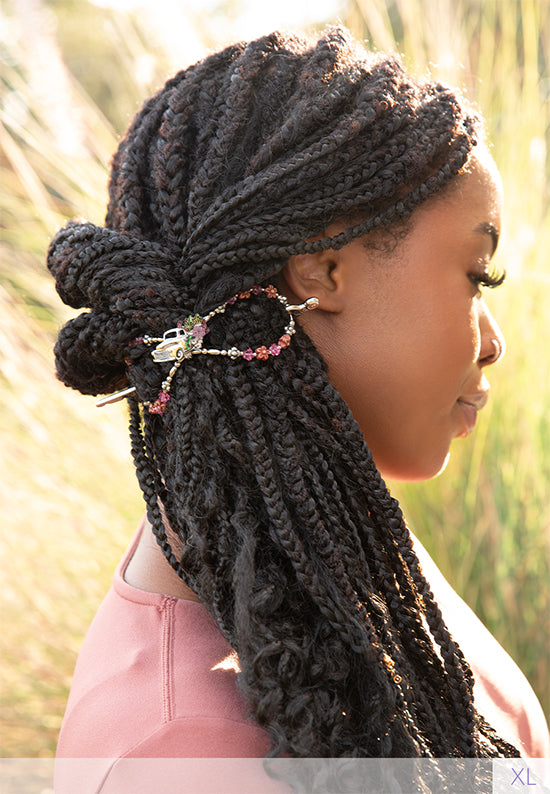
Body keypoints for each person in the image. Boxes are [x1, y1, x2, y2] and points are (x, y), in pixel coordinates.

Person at [48, 25, 549, 791]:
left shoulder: (336, 534)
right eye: (478, 276)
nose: (494, 343)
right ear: (322, 273)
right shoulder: (170, 759)